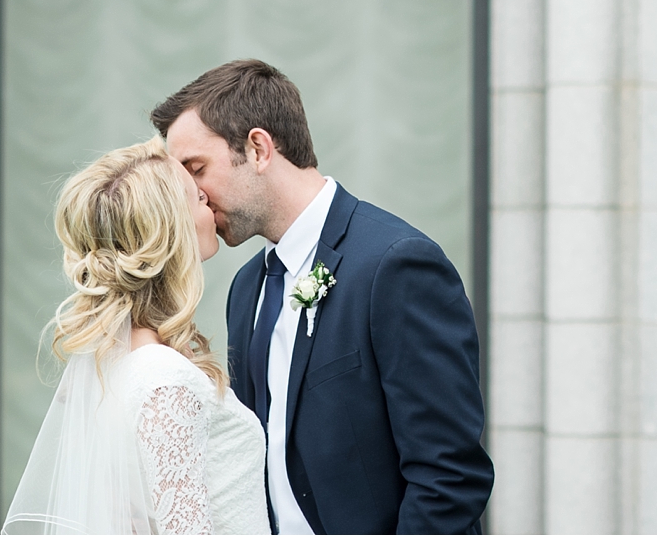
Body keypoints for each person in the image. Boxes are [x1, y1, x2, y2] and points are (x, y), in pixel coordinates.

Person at [153, 60, 493, 535]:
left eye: (197, 169)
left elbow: (449, 477)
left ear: (258, 148)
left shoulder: (396, 265)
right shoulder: (246, 287)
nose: (196, 197)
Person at [4, 139, 272, 535]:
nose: (210, 203)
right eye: (197, 196)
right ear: (171, 230)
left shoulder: (118, 366)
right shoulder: (163, 377)